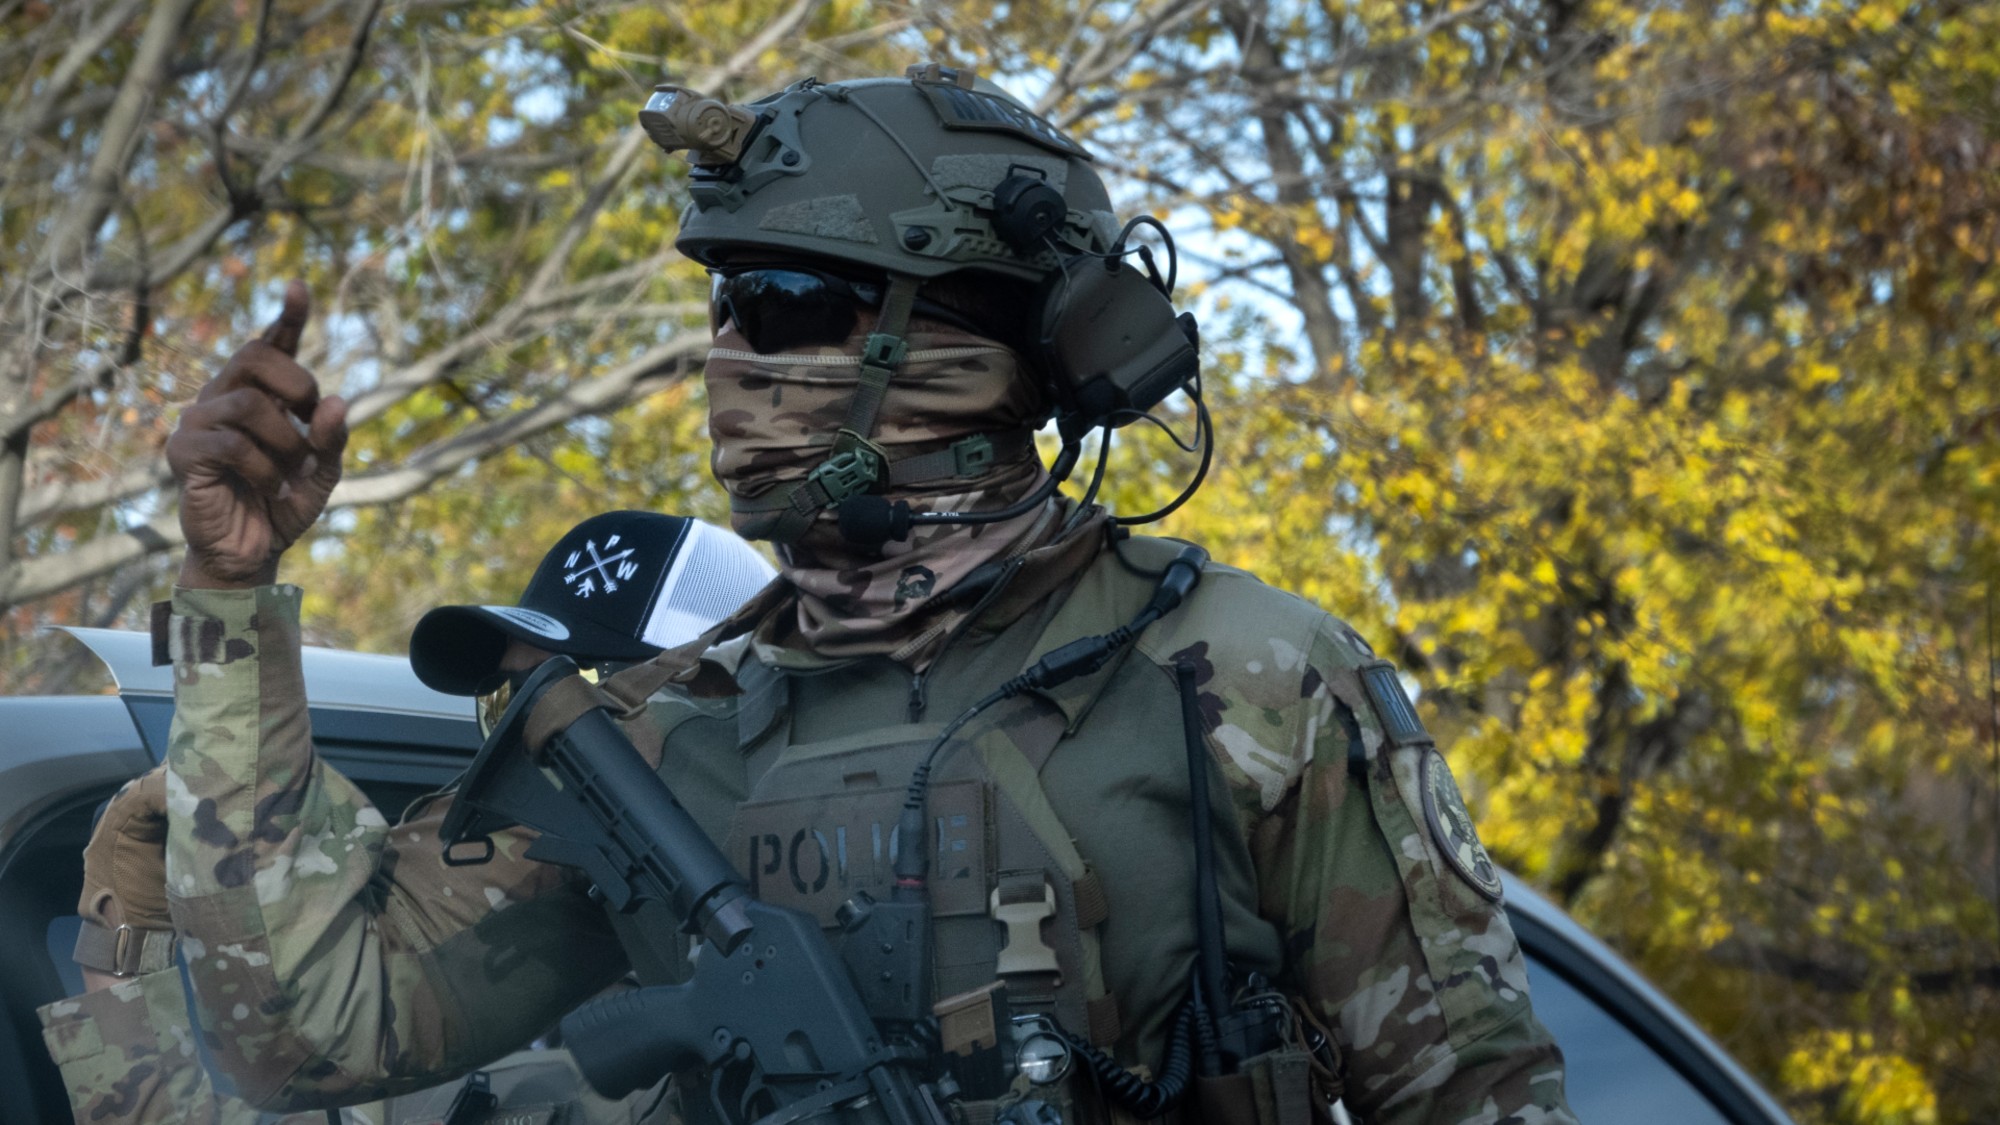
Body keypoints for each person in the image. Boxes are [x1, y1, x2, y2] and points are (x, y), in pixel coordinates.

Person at [131, 63, 1577, 1125]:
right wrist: (229, 599)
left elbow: (1481, 1097)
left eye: (795, 307)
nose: (734, 362)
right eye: (725, 308)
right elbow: (303, 1036)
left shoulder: (1248, 680)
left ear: (997, 350)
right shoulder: (650, 733)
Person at [35, 513, 772, 1124]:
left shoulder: (719, 1070)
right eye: (511, 701)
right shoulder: (496, 1054)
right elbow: (297, 1049)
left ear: (718, 702)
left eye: (580, 697)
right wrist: (125, 922)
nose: (527, 745)